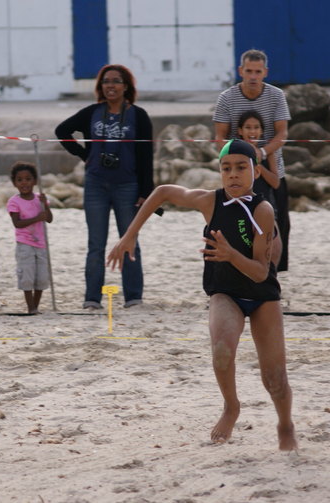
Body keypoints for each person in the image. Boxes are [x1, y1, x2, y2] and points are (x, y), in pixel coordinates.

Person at [107, 139, 297, 451]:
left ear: (255, 172)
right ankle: (231, 407)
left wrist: (230, 255)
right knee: (221, 351)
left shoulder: (262, 211)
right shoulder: (210, 201)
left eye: (241, 168)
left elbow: (261, 273)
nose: (233, 174)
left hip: (262, 295)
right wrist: (129, 235)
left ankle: (285, 423)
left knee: (275, 379)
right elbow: (163, 192)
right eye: (226, 168)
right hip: (225, 292)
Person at [55, 64, 154, 309]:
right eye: (106, 81)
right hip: (96, 185)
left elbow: (146, 156)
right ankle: (92, 299)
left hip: (128, 185)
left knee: (129, 241)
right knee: (96, 245)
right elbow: (62, 131)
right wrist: (84, 155)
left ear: (126, 86)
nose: (111, 85)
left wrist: (146, 191)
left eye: (116, 81)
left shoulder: (138, 115)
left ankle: (133, 297)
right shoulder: (92, 112)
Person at [214, 49, 292, 272]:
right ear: (241, 71)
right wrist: (239, 157)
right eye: (249, 71)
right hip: (237, 169)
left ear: (265, 72)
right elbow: (219, 138)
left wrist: (261, 153)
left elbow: (282, 134)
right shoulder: (227, 97)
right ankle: (239, 265)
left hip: (270, 162)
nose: (253, 76)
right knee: (236, 220)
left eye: (258, 72)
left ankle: (275, 270)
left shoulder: (276, 95)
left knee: (279, 222)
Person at [6, 162, 53, 314]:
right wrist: (37, 218)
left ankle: (36, 306)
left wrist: (45, 205)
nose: (24, 183)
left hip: (41, 244)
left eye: (28, 179)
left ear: (35, 181)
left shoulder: (40, 199)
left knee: (41, 277)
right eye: (19, 180)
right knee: (27, 276)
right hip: (24, 244)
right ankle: (30, 307)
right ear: (14, 183)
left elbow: (49, 219)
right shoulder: (14, 202)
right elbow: (17, 223)